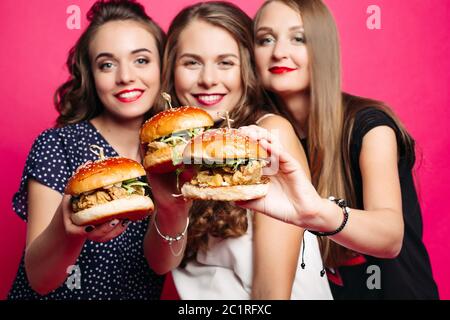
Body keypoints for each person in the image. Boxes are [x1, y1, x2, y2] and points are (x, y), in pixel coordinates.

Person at [244, 0, 439, 299]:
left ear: (323, 48)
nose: (279, 51)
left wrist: (317, 213)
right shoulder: (265, 134)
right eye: (265, 39)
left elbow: (390, 237)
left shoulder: (370, 127)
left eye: (299, 38)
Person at [143, 1, 332, 300]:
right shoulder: (173, 150)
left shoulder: (268, 136)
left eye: (225, 62)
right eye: (192, 62)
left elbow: (272, 292)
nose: (208, 79)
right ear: (172, 70)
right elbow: (160, 264)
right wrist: (171, 210)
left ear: (247, 68)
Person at [8, 0, 166, 300]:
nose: (126, 76)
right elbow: (39, 280)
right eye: (107, 64)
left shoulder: (171, 157)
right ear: (91, 76)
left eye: (141, 60)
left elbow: (161, 266)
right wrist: (67, 231)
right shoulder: (58, 145)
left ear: (163, 66)